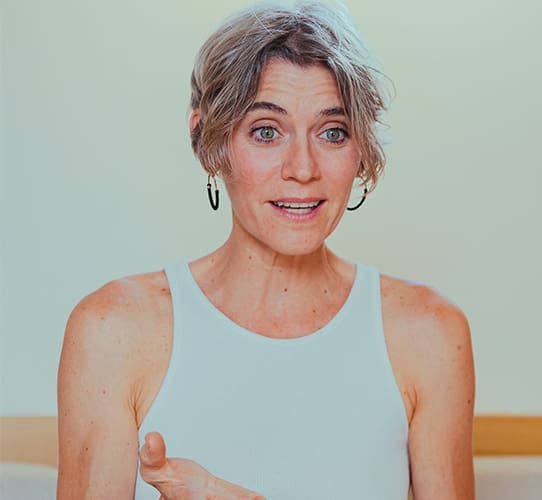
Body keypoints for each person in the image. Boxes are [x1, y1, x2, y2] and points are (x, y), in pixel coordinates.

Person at [56, 3, 475, 499]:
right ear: (207, 141)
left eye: (333, 132)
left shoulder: (430, 335)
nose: (303, 168)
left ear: (360, 149)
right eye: (266, 131)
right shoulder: (112, 331)